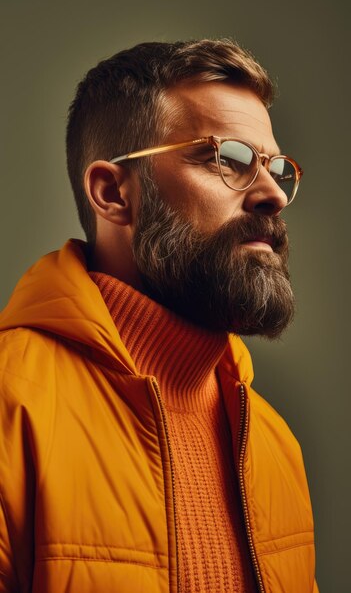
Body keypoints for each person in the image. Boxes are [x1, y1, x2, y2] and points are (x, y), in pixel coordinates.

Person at [0, 39, 318, 593]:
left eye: (277, 169)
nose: (273, 195)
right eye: (229, 159)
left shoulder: (274, 443)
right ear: (112, 193)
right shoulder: (10, 406)